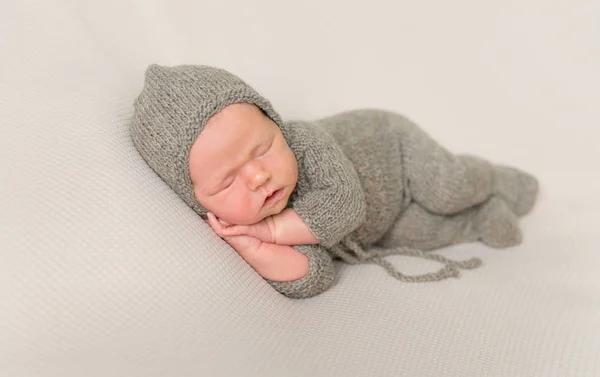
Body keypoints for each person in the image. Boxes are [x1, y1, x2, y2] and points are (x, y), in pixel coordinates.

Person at [130, 64, 539, 299]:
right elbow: (317, 275)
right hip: (377, 228)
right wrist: (252, 246)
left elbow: (345, 206)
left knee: (446, 188)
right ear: (197, 199)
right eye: (226, 181)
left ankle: (490, 179)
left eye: (262, 148)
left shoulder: (305, 141)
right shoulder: (242, 224)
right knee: (416, 232)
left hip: (393, 150)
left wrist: (271, 229)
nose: (257, 175)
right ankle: (482, 216)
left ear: (275, 122)